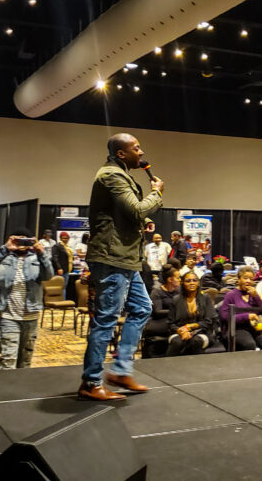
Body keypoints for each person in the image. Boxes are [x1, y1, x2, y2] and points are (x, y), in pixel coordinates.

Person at [79, 132, 164, 401]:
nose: (142, 152)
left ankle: (120, 371)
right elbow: (137, 209)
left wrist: (143, 223)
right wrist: (156, 193)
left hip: (125, 257)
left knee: (142, 308)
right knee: (107, 319)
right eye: (136, 148)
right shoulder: (111, 175)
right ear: (121, 153)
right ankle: (91, 382)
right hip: (111, 257)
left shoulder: (121, 175)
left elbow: (126, 214)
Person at [0, 230, 54, 369]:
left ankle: (21, 383)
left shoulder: (36, 259)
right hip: (8, 315)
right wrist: (6, 248)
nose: (22, 243)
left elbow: (48, 275)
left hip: (31, 315)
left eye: (26, 240)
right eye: (19, 240)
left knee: (25, 360)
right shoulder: (3, 257)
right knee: (8, 358)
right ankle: (5, 383)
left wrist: (41, 253)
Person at [218, 266, 262, 350]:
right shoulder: (230, 295)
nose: (248, 281)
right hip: (236, 328)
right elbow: (225, 317)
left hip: (253, 327)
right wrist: (247, 316)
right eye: (245, 278)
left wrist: (256, 297)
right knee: (249, 344)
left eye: (251, 279)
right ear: (239, 279)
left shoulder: (253, 295)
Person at [166, 272, 219, 356]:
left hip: (202, 332)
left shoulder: (206, 298)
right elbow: (170, 323)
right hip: (179, 332)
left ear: (198, 283)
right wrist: (182, 331)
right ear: (182, 283)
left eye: (194, 280)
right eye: (188, 281)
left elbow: (209, 321)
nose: (192, 283)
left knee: (195, 341)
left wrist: (189, 327)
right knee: (177, 342)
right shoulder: (176, 300)